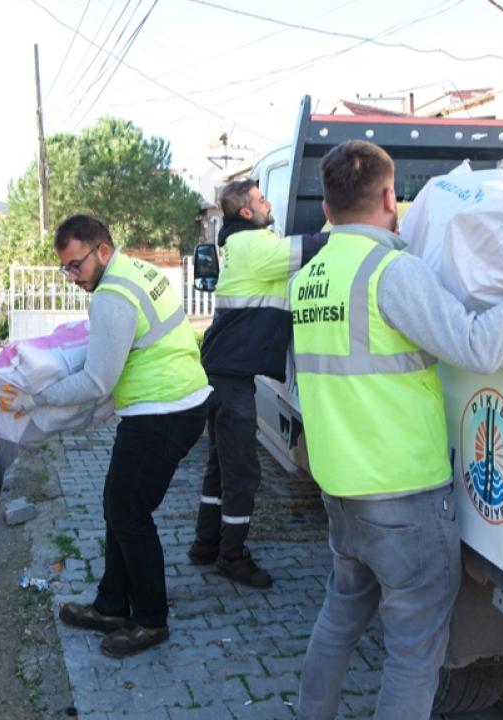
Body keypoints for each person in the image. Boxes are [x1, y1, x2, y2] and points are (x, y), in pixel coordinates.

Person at [291, 140, 503, 718]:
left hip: (342, 496)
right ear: (388, 197)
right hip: (404, 502)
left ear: (325, 209)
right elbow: (479, 346)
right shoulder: (390, 272)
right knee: (414, 655)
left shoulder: (309, 277)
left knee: (338, 620)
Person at [31, 214, 210, 658]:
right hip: (172, 403)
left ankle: (150, 620)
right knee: (118, 505)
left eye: (76, 265)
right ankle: (112, 604)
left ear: (102, 251)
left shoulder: (112, 295)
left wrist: (40, 397)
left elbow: (97, 381)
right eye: (66, 268)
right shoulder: (137, 271)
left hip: (163, 412)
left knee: (129, 514)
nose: (72, 277)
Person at [189, 180, 327, 588]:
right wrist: (349, 224)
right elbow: (314, 246)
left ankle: (204, 545)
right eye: (262, 199)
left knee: (220, 468)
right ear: (246, 213)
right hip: (230, 380)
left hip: (222, 373)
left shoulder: (238, 245)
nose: (270, 204)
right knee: (244, 474)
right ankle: (231, 556)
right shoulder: (255, 245)